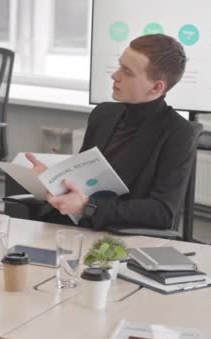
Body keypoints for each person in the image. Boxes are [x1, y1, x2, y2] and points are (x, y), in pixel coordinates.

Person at [26, 34, 194, 230]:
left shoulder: (178, 132)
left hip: (119, 237)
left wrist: (89, 207)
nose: (115, 75)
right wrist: (52, 179)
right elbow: (81, 177)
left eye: (127, 72)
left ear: (156, 87)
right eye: (120, 65)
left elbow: (162, 212)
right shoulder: (104, 113)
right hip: (74, 225)